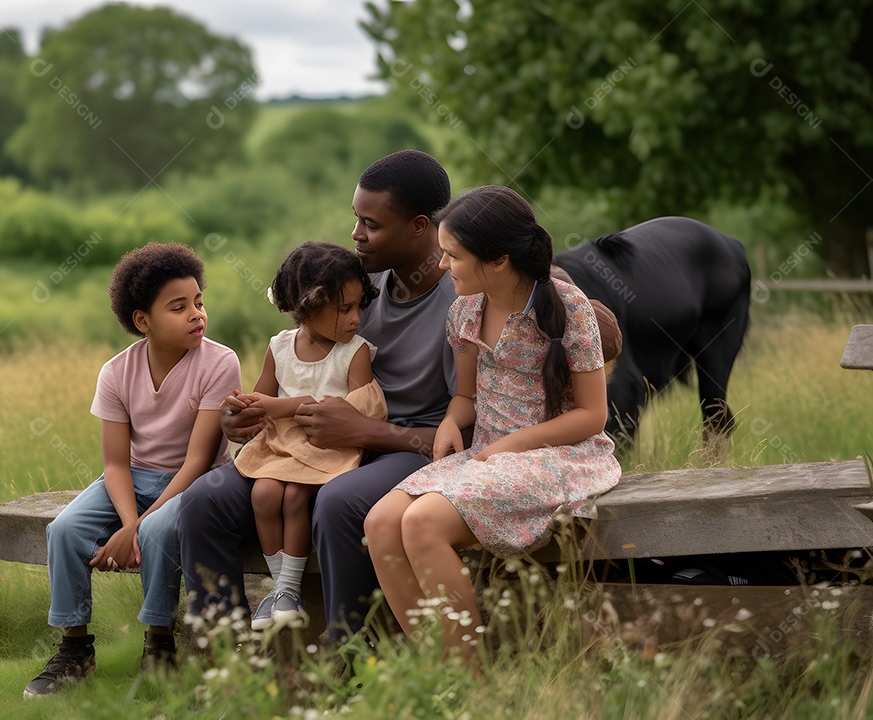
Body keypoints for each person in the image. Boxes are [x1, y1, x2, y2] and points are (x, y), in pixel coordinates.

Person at [178, 150, 623, 647]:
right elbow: (299, 360)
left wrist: (371, 433)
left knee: (342, 502)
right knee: (204, 503)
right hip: (324, 440)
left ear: (419, 228)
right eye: (355, 220)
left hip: (412, 447)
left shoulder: (468, 296)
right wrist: (252, 415)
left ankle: (350, 648)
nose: (356, 235)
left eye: (371, 224)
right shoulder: (357, 290)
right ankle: (223, 657)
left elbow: (515, 389)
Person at [364, 186, 622, 660]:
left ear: (499, 259)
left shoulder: (569, 307)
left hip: (559, 454)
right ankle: (438, 668)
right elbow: (466, 397)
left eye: (453, 255)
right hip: (487, 453)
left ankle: (468, 678)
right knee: (381, 521)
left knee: (421, 523)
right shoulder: (464, 310)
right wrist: (449, 423)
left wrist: (515, 444)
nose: (441, 266)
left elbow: (592, 415)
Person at [24, 243, 241, 698]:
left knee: (158, 531)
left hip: (198, 482)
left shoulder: (219, 362)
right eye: (178, 307)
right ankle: (75, 648)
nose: (196, 314)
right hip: (133, 479)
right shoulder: (117, 372)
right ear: (143, 320)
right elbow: (115, 463)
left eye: (199, 302)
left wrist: (139, 528)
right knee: (64, 529)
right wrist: (127, 523)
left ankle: (158, 646)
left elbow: (199, 460)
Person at [230, 241, 385, 631]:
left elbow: (356, 410)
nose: (356, 318)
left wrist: (285, 405)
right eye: (344, 309)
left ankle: (288, 585)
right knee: (264, 493)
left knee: (296, 495)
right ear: (308, 308)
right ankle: (280, 589)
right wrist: (246, 404)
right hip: (281, 444)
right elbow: (263, 393)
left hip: (326, 445)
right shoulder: (279, 347)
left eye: (358, 306)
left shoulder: (356, 352)